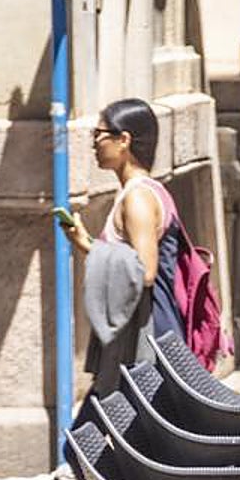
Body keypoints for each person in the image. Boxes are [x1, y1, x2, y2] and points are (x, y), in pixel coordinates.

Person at [62, 98, 185, 410]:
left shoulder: (139, 199)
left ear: (124, 140)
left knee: (118, 427)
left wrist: (91, 248)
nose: (94, 143)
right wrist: (87, 243)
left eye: (99, 134)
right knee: (110, 425)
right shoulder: (140, 192)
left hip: (145, 334)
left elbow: (145, 271)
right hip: (137, 333)